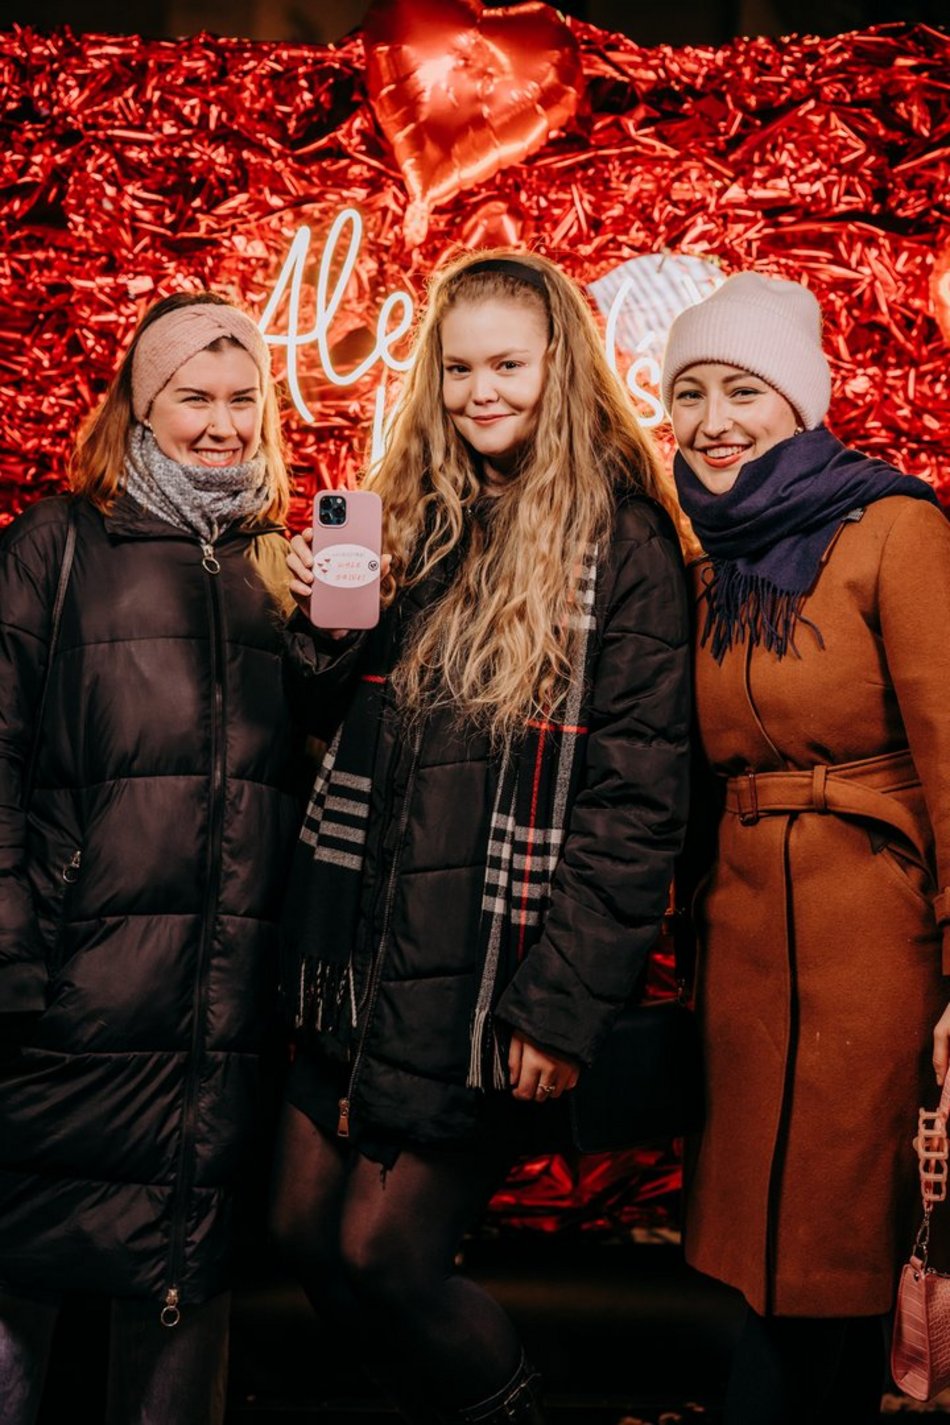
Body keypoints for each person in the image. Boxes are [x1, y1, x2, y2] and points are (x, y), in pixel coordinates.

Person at [270, 250, 692, 1424]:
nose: (479, 392)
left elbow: (636, 805)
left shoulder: (626, 546)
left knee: (384, 1256)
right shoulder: (419, 518)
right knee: (298, 1231)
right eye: (457, 369)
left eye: (506, 364)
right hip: (358, 949)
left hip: (481, 975)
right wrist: (321, 622)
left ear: (559, 367)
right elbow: (318, 721)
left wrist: (557, 1005)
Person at [0, 292, 305, 1424]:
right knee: (22, 1273)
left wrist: (329, 643)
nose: (222, 424)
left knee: (181, 1273)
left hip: (211, 1015)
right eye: (194, 398)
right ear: (141, 404)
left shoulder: (274, 565)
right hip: (70, 999)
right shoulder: (58, 545)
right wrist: (11, 964)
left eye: (241, 400)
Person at [661, 271, 950, 1425]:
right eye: (688, 393)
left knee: (845, 1256)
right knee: (762, 1262)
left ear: (799, 405)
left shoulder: (895, 529)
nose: (713, 419)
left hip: (873, 945)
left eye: (742, 389)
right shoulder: (704, 562)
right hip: (742, 954)